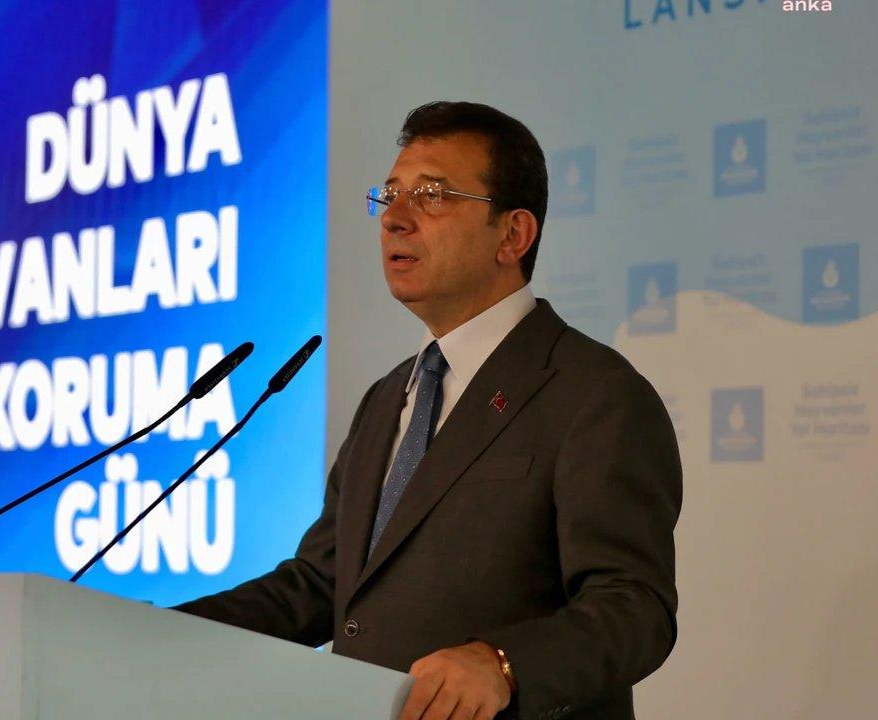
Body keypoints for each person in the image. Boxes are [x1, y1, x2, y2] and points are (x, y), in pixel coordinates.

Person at [176, 101, 682, 720]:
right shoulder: (389, 397)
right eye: (390, 196)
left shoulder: (594, 393)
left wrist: (504, 663)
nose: (395, 218)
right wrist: (158, 631)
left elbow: (634, 606)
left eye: (433, 195)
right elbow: (323, 585)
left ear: (513, 235)